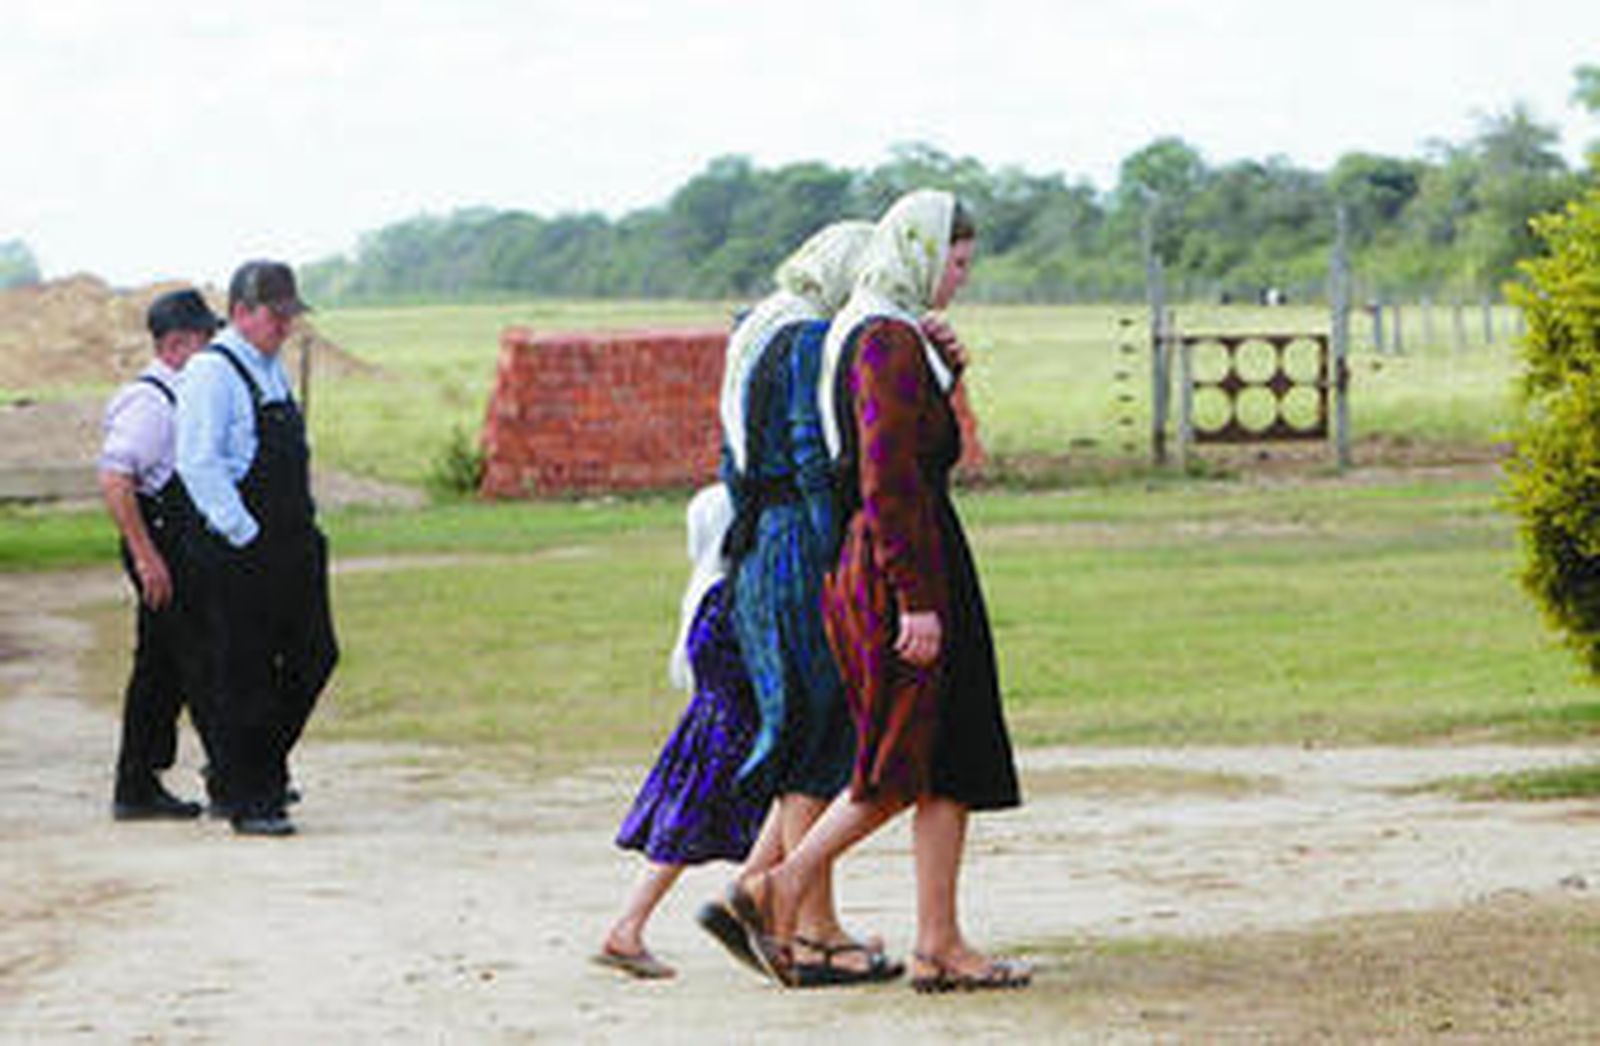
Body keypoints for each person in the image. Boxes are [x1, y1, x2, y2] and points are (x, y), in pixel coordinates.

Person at [707, 190, 1031, 992]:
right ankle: (775, 889)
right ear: (921, 252)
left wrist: (945, 371)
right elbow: (888, 475)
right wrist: (916, 594)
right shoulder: (883, 338)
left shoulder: (869, 332)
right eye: (956, 262)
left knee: (946, 757)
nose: (960, 278)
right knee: (906, 754)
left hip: (888, 551)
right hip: (907, 554)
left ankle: (936, 942)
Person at [706, 219, 902, 986]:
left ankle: (787, 920)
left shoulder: (755, 329)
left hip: (759, 540)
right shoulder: (807, 339)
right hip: (797, 543)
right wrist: (836, 555)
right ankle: (815, 931)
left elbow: (731, 462)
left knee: (801, 734)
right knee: (819, 739)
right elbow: (810, 454)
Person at [176, 260, 338, 837]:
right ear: (242, 311)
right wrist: (244, 534)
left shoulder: (270, 370)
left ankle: (241, 770)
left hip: (294, 541)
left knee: (316, 655)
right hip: (242, 547)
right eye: (277, 316)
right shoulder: (211, 373)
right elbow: (198, 462)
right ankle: (251, 798)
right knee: (245, 671)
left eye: (290, 316)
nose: (286, 328)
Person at [596, 484, 767, 979]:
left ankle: (784, 913)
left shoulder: (709, 562)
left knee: (709, 800)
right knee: (773, 789)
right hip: (733, 692)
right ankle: (630, 926)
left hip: (715, 690)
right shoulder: (733, 584)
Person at [99, 289, 222, 820]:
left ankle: (138, 783)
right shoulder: (151, 403)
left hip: (176, 544)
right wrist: (147, 557)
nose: (213, 348)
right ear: (175, 345)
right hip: (159, 544)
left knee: (163, 665)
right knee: (194, 661)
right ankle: (234, 775)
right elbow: (115, 479)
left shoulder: (185, 393)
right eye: (204, 339)